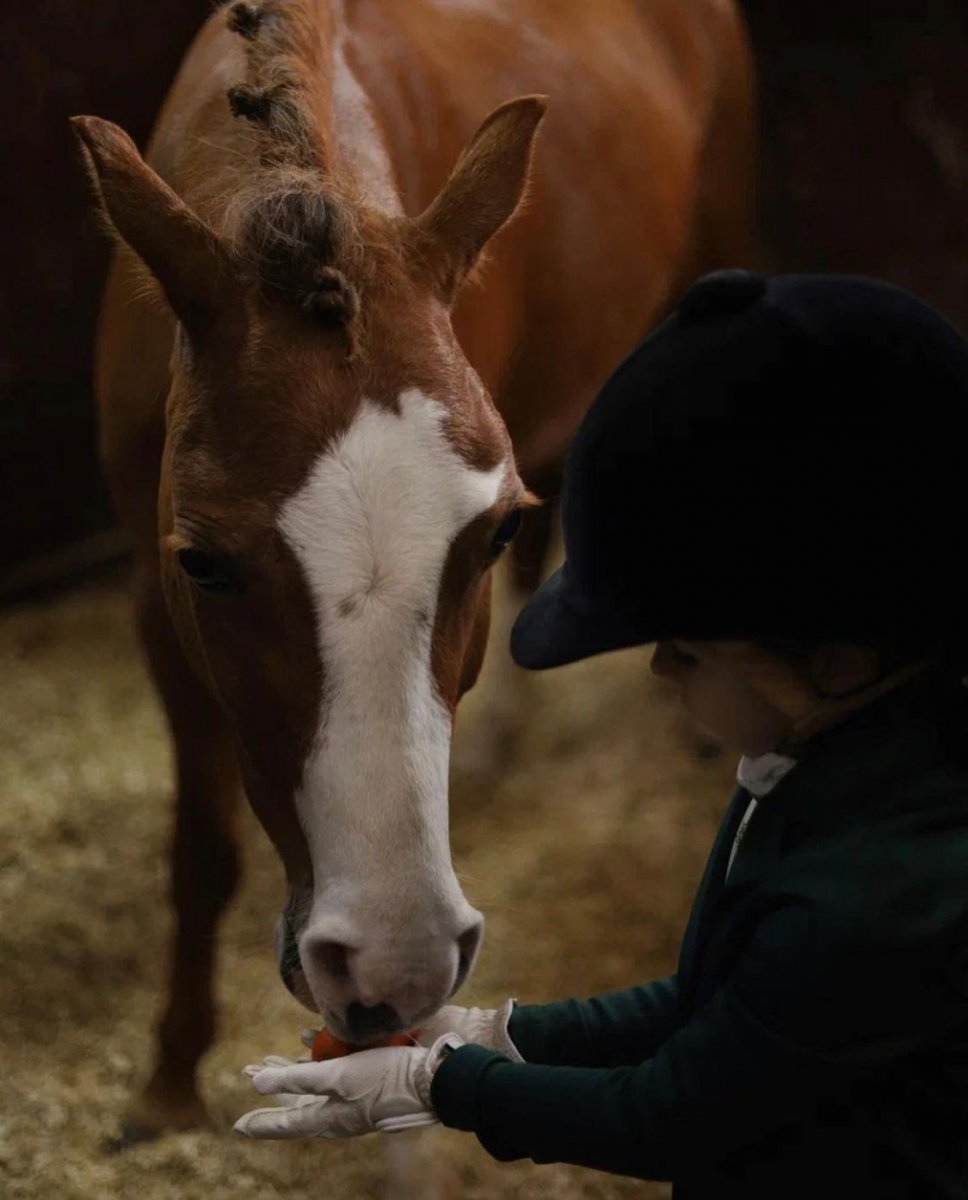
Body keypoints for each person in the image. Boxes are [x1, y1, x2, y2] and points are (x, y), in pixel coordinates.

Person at [235, 271, 968, 1199]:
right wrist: (502, 1037)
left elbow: (670, 1115)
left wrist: (446, 1086)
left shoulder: (883, 895)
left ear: (839, 658)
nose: (660, 671)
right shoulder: (818, 764)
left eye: (688, 649)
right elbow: (723, 1004)